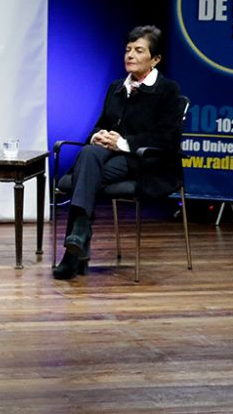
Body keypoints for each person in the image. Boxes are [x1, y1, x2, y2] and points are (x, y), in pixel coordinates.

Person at [53, 25, 185, 280]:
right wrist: (98, 135)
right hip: (108, 156)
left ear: (155, 59)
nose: (130, 55)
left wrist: (123, 143)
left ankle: (73, 253)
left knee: (85, 172)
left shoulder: (167, 90)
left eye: (138, 50)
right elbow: (102, 122)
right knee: (90, 153)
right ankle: (78, 236)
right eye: (127, 50)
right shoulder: (116, 87)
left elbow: (166, 137)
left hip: (144, 161)